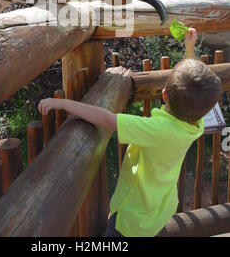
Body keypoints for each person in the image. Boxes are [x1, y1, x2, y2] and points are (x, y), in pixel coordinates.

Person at [38, 28, 222, 237]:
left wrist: (63, 103)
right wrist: (189, 48)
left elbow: (107, 119)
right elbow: (195, 90)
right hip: (158, 210)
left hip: (131, 219)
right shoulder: (195, 125)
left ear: (163, 95)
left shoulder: (157, 130)